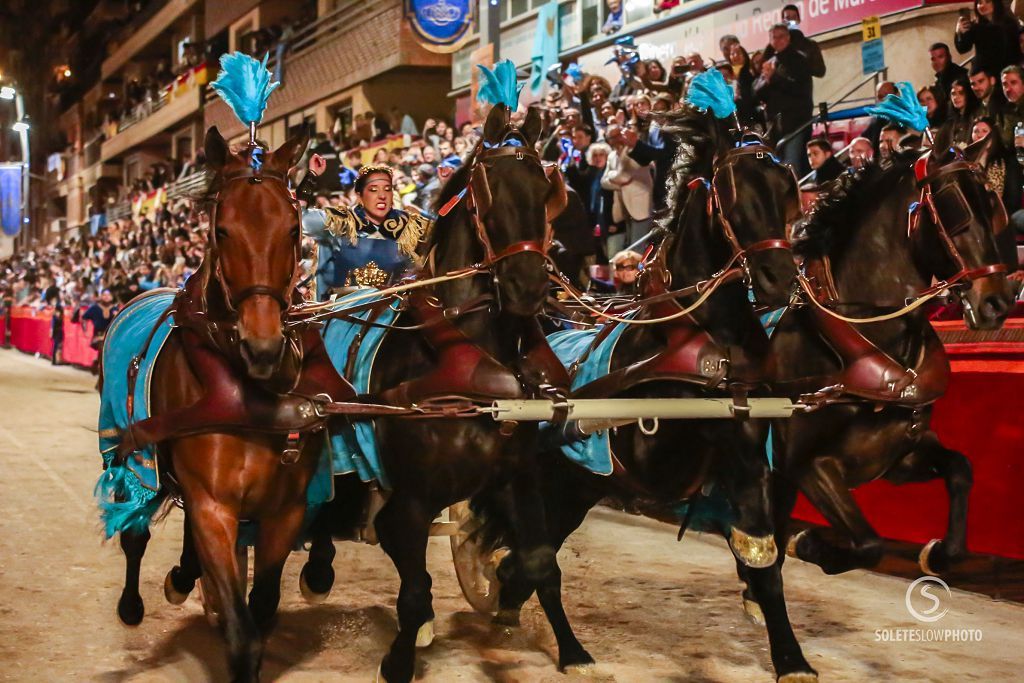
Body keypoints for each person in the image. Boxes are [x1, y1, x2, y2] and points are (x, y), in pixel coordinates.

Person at [300, 156, 431, 298]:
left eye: (387, 189)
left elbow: (445, 234)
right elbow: (300, 217)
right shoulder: (339, 220)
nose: (382, 195)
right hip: (346, 310)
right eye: (373, 190)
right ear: (359, 195)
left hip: (396, 308)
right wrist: (311, 176)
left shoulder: (409, 224)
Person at [755, 23, 814, 175]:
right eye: (774, 37)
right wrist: (766, 80)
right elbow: (757, 92)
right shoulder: (770, 61)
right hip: (775, 125)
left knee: (791, 166)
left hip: (795, 124)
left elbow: (799, 89)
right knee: (778, 169)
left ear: (788, 38)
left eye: (781, 36)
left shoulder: (800, 59)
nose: (778, 40)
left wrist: (774, 77)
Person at [601, 124, 654, 253]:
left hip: (641, 206)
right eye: (612, 137)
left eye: (619, 134)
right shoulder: (612, 156)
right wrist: (616, 180)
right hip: (625, 208)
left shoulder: (634, 152)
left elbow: (623, 176)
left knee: (638, 249)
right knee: (630, 246)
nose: (617, 139)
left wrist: (612, 177)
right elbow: (603, 182)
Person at [954, 0, 1022, 77]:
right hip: (984, 73)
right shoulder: (976, 26)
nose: (983, 5)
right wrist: (958, 32)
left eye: (987, 1)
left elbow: (1016, 50)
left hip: (1006, 71)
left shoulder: (1009, 23)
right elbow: (962, 48)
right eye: (979, 3)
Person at [762, 4, 826, 78]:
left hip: (802, 86)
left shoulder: (810, 44)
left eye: (794, 17)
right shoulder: (774, 46)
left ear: (798, 20)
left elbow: (821, 71)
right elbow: (762, 66)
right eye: (788, 18)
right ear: (783, 22)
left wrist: (802, 63)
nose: (791, 21)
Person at [942, 76, 982, 148]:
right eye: (953, 94)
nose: (956, 97)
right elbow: (951, 146)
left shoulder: (976, 115)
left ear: (968, 94)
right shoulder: (954, 119)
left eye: (961, 93)